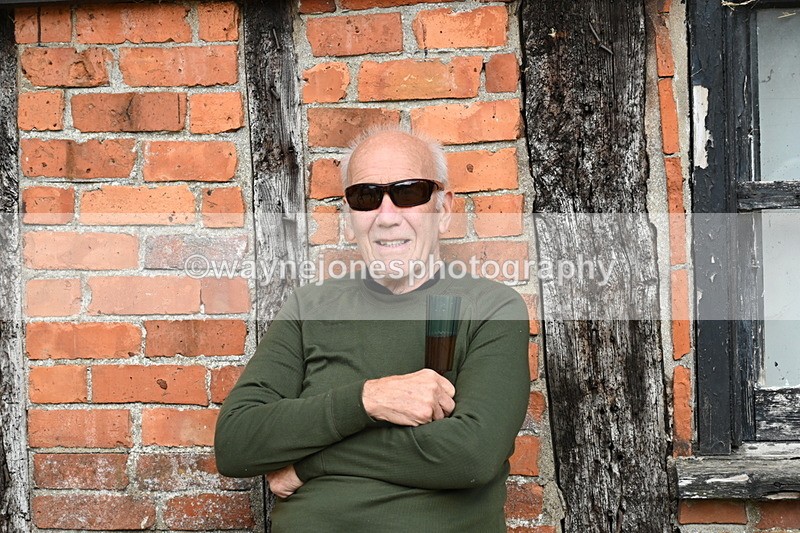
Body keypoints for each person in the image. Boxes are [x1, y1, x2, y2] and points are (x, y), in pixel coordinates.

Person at [214, 127, 530, 532]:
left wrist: (312, 463)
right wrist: (368, 400)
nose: (387, 216)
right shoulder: (309, 309)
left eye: (409, 193)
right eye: (366, 197)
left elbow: (472, 455)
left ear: (444, 210)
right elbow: (235, 443)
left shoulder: (493, 308)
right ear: (349, 219)